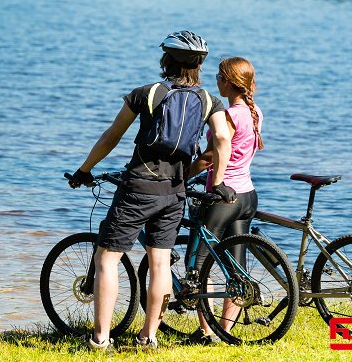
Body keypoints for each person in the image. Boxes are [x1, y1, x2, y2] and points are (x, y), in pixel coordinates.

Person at [67, 31, 235, 351]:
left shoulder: (147, 93)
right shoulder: (209, 101)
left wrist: (84, 169)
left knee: (107, 258)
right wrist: (219, 181)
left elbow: (112, 136)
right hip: (175, 191)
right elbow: (223, 140)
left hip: (138, 188)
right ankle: (149, 337)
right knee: (160, 263)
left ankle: (100, 339)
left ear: (166, 59)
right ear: (199, 64)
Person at [185, 56, 264, 344]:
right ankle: (225, 330)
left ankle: (207, 332)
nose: (215, 80)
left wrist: (181, 176)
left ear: (229, 82)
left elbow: (209, 157)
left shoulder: (229, 115)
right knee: (236, 267)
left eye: (219, 76)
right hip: (247, 195)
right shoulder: (255, 112)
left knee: (199, 264)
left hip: (223, 197)